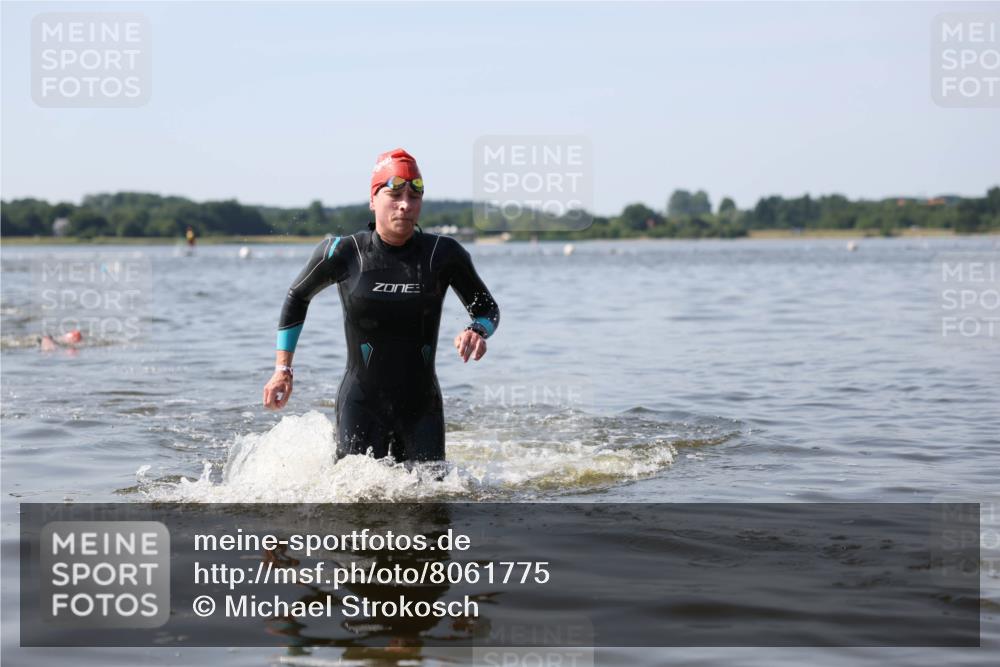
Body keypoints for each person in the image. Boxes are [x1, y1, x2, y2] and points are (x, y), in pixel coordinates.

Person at [261, 148, 500, 463]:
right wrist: (283, 369)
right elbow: (297, 297)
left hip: (422, 407)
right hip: (360, 404)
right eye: (394, 194)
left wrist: (476, 329)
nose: (405, 205)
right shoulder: (343, 252)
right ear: (373, 199)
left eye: (414, 197)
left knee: (432, 503)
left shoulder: (443, 255)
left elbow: (487, 309)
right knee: (354, 501)